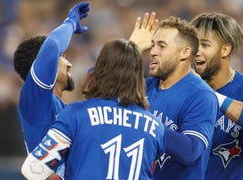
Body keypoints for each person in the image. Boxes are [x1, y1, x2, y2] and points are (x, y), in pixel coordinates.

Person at [21, 38, 166, 180]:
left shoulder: (75, 115)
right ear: (139, 77)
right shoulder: (156, 127)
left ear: (100, 71)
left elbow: (34, 169)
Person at [129, 13, 218, 179]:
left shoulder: (201, 95)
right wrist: (130, 49)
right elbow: (95, 89)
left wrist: (144, 122)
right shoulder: (142, 86)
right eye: (152, 45)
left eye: (162, 46)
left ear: (184, 53)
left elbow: (190, 150)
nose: (153, 52)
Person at [189, 12, 243, 179]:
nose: (196, 51)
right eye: (194, 45)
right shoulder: (185, 88)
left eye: (205, 45)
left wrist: (210, 95)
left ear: (225, 49)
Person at [13, 1, 90, 178]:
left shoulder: (69, 111)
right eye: (63, 57)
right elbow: (53, 46)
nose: (69, 64)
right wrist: (70, 22)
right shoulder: (35, 99)